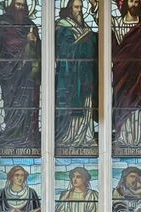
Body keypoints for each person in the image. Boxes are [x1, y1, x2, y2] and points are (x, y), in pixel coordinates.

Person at [111, 0, 141, 154]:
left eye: (137, 1)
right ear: (124, 4)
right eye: (131, 1)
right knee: (123, 103)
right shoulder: (115, 23)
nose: (134, 3)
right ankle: (124, 137)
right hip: (122, 74)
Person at [0, 0, 41, 153]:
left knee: (28, 107)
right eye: (17, 4)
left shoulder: (31, 25)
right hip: (11, 75)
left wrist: (34, 42)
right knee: (13, 106)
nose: (20, 8)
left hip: (28, 76)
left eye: (23, 5)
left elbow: (40, 53)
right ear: (11, 5)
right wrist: (25, 42)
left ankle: (28, 136)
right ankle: (12, 134)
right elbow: (6, 44)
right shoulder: (3, 23)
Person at [55, 0, 98, 151]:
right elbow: (62, 50)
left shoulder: (84, 27)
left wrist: (90, 39)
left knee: (86, 103)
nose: (79, 11)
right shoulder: (62, 26)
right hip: (69, 75)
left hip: (85, 74)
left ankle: (85, 136)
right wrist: (78, 43)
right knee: (72, 104)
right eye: (76, 7)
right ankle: (69, 137)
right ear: (69, 8)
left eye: (80, 8)